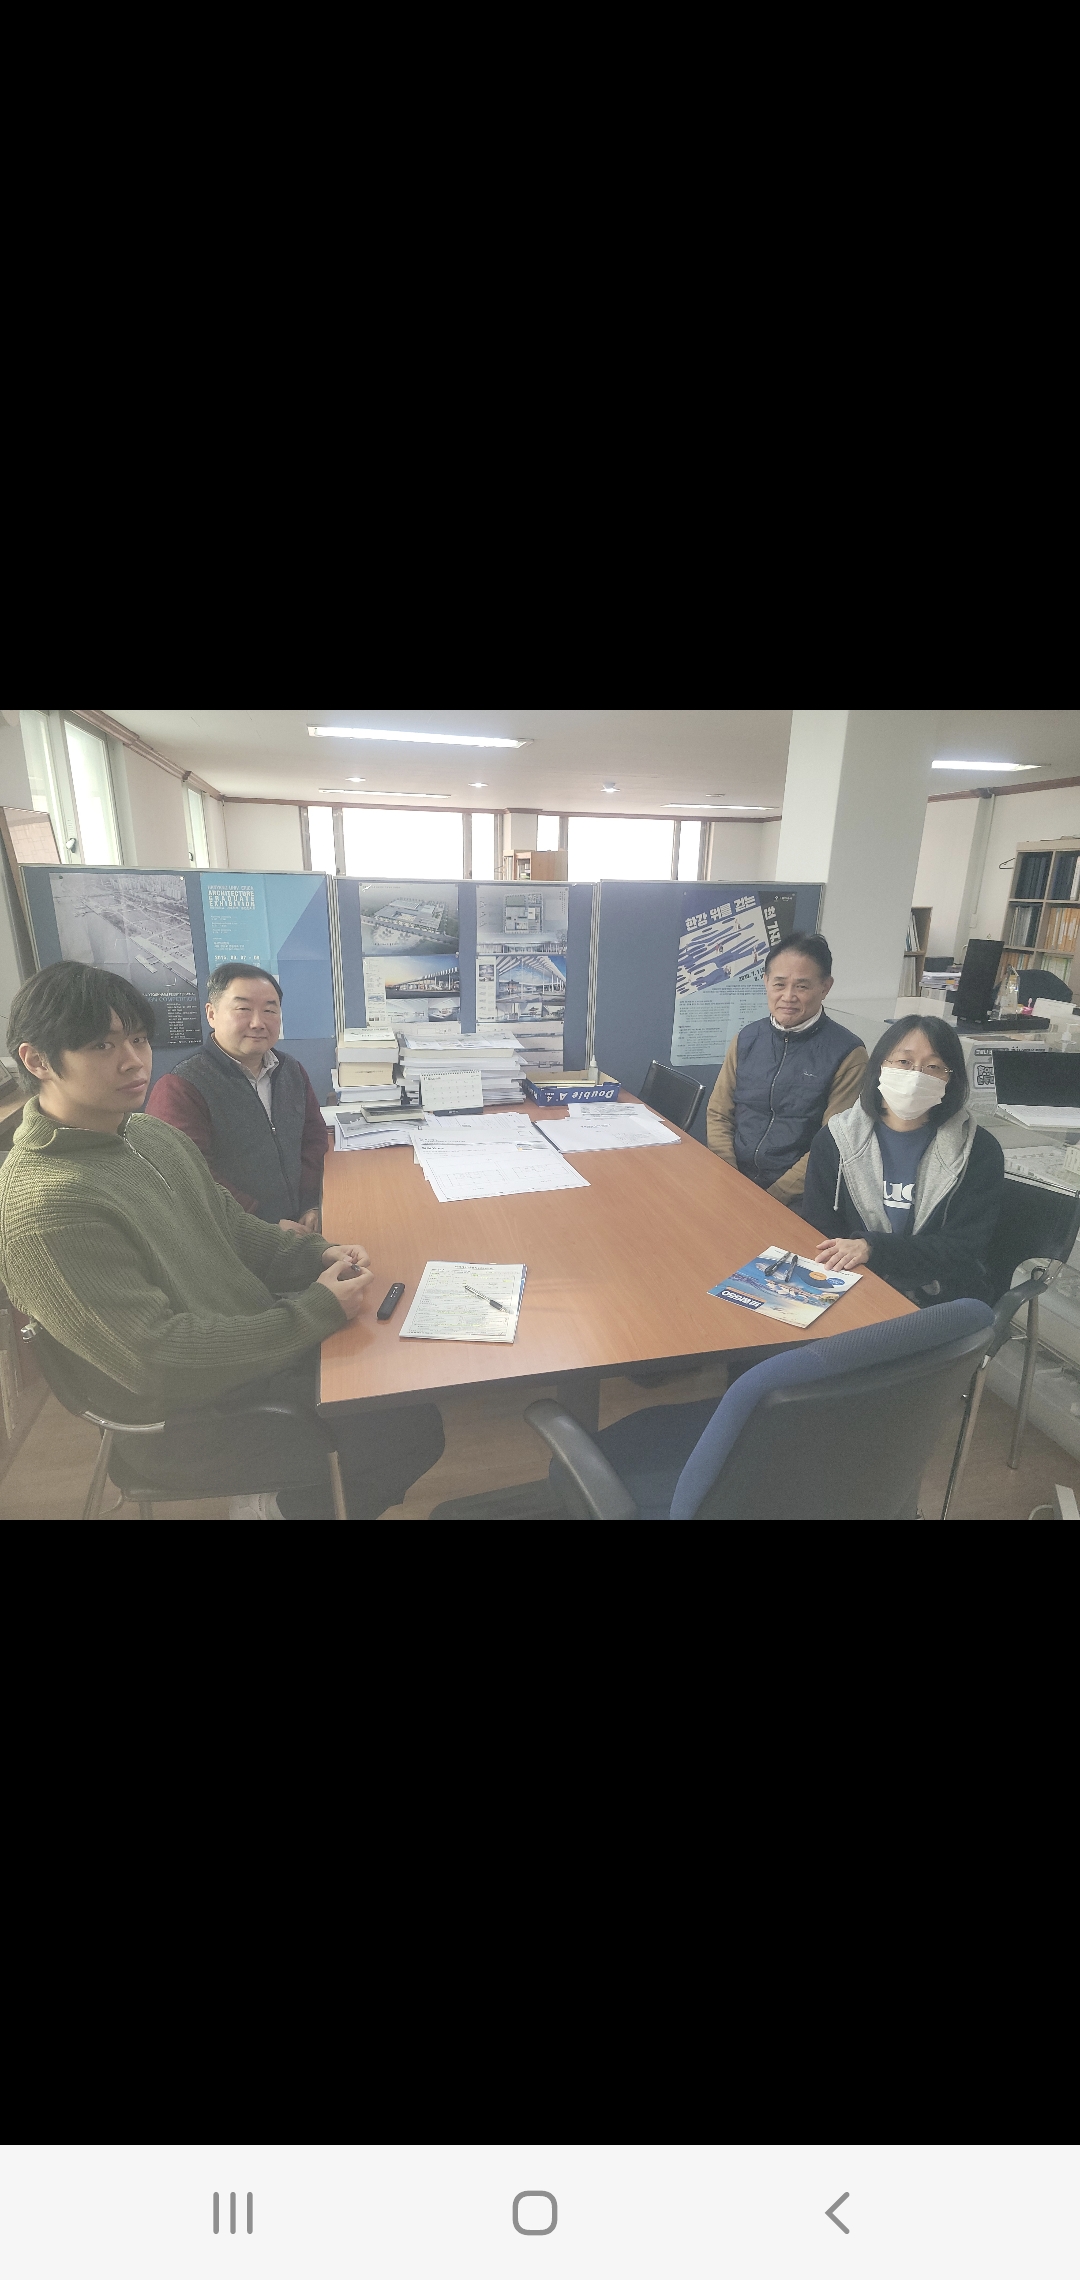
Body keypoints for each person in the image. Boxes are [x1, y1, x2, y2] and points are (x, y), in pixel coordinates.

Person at [0, 962, 443, 1519]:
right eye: (101, 1045)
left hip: (240, 1343)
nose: (133, 1060)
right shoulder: (47, 1206)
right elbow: (158, 1359)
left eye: (137, 1039)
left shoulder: (146, 1135)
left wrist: (315, 1254)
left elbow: (229, 1226)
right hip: (190, 1416)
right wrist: (315, 1310)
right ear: (37, 1060)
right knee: (407, 1428)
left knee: (394, 1369)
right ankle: (279, 1510)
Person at [799, 1015, 1004, 1305]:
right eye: (904, 1062)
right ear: (880, 1066)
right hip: (852, 1284)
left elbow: (962, 1249)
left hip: (939, 1295)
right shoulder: (835, 1139)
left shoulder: (978, 1150)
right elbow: (819, 1229)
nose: (916, 1075)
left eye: (933, 1067)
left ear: (951, 1078)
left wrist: (874, 1249)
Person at [145, 964, 328, 1234]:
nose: (258, 1022)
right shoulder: (180, 1087)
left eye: (269, 1010)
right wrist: (265, 1224)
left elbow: (313, 1139)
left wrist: (312, 1203)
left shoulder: (291, 1071)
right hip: (235, 1238)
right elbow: (189, 1177)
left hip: (300, 1228)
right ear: (212, 1014)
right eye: (243, 1009)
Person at [706, 933, 868, 1204]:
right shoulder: (746, 1039)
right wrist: (728, 1178)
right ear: (766, 982)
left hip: (796, 1196)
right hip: (732, 1179)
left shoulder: (848, 1054)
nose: (788, 996)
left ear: (825, 987)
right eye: (779, 984)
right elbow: (719, 1113)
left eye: (802, 986)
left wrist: (772, 1198)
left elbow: (832, 1143)